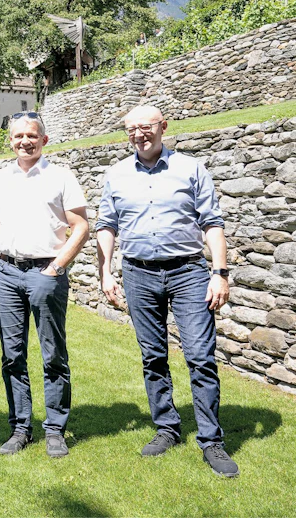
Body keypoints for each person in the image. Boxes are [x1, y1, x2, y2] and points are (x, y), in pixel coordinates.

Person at [96, 105, 238, 478]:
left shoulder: (190, 168)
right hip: (138, 274)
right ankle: (167, 428)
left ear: (163, 127)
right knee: (153, 356)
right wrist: (106, 272)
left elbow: (212, 222)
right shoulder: (117, 174)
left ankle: (211, 440)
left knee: (200, 356)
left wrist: (219, 273)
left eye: (146, 127)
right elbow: (107, 225)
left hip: (188, 271)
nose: (140, 134)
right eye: (132, 129)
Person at [0, 111, 89, 458]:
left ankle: (55, 429)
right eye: (18, 136)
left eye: (31, 135)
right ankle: (20, 427)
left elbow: (81, 226)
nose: (24, 141)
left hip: (46, 272)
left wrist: (57, 267)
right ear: (10, 141)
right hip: (9, 273)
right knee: (12, 355)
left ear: (44, 140)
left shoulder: (60, 176)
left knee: (52, 354)